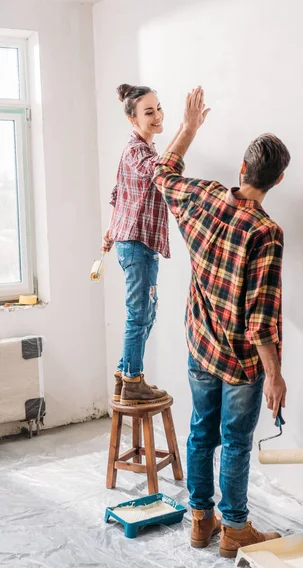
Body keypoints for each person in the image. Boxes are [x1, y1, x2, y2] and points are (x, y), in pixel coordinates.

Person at [154, 87, 290, 557]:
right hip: (239, 362)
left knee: (200, 431)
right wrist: (274, 375)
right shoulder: (266, 233)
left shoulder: (207, 198)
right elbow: (261, 318)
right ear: (279, 180)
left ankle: (199, 520)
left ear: (242, 169)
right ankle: (233, 529)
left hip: (200, 346)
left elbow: (163, 172)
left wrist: (188, 129)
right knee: (233, 442)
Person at [102, 84, 181, 406]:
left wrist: (109, 232)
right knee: (139, 315)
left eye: (159, 108)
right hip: (136, 244)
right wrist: (188, 130)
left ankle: (125, 374)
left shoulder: (143, 150)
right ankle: (133, 379)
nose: (158, 115)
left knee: (147, 311)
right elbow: (162, 174)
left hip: (134, 243)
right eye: (149, 112)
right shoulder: (137, 151)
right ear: (133, 119)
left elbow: (119, 194)